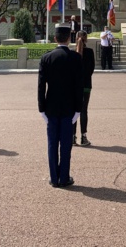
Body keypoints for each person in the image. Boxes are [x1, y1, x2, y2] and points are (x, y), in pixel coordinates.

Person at [38, 24, 84, 187]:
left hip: (51, 106)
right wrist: (79, 109)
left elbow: (41, 86)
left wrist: (41, 108)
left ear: (55, 38)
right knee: (66, 145)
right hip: (69, 108)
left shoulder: (47, 57)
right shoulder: (76, 58)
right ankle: (64, 177)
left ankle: (54, 177)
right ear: (68, 39)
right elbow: (79, 86)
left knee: (52, 144)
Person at [73, 30, 95, 147]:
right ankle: (83, 137)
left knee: (74, 111)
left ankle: (72, 137)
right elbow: (92, 69)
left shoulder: (72, 53)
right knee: (83, 110)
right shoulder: (90, 52)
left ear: (76, 38)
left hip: (74, 86)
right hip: (86, 85)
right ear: (86, 39)